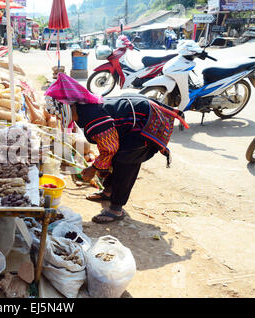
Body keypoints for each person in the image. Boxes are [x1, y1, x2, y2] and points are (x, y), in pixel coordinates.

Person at [45, 73, 189, 224]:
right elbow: (107, 146)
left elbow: (110, 148)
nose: (59, 118)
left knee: (125, 160)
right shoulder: (83, 109)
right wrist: (100, 165)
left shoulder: (92, 117)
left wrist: (94, 168)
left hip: (145, 124)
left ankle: (116, 208)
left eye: (59, 114)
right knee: (114, 157)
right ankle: (108, 192)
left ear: (66, 108)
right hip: (135, 119)